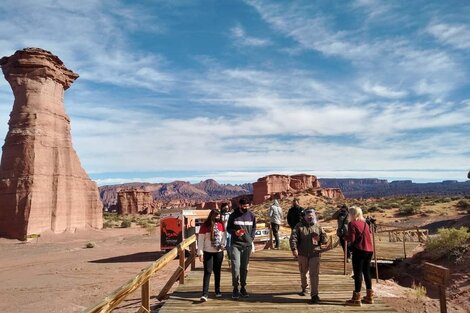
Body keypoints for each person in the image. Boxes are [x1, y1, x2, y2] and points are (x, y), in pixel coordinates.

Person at [290, 208, 328, 304]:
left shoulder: (318, 226)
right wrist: (294, 249)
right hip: (302, 253)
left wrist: (322, 238)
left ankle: (314, 294)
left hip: (315, 253)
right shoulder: (299, 226)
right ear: (305, 216)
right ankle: (305, 287)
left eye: (312, 215)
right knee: (303, 273)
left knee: (314, 274)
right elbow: (293, 238)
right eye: (308, 215)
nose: (310, 217)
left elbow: (325, 239)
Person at [226, 198, 256, 299]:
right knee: (235, 267)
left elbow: (254, 228)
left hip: (247, 245)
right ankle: (235, 288)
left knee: (244, 268)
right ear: (240, 205)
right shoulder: (233, 215)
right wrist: (235, 232)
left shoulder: (251, 216)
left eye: (248, 206)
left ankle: (243, 288)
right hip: (236, 245)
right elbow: (228, 228)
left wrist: (251, 238)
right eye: (244, 206)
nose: (246, 208)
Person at [344, 206, 374, 306]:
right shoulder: (365, 224)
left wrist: (344, 236)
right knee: (367, 272)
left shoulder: (352, 224)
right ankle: (370, 297)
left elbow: (352, 239)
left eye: (349, 213)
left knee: (357, 274)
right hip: (369, 250)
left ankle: (356, 299)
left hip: (359, 250)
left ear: (352, 214)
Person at [197, 209, 226, 302]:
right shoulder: (205, 226)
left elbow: (224, 237)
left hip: (218, 252)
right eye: (216, 216)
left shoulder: (221, 225)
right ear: (211, 216)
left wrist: (223, 246)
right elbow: (200, 240)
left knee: (217, 272)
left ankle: (217, 290)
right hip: (207, 252)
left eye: (219, 216)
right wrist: (200, 253)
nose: (217, 217)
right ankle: (205, 294)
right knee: (208, 272)